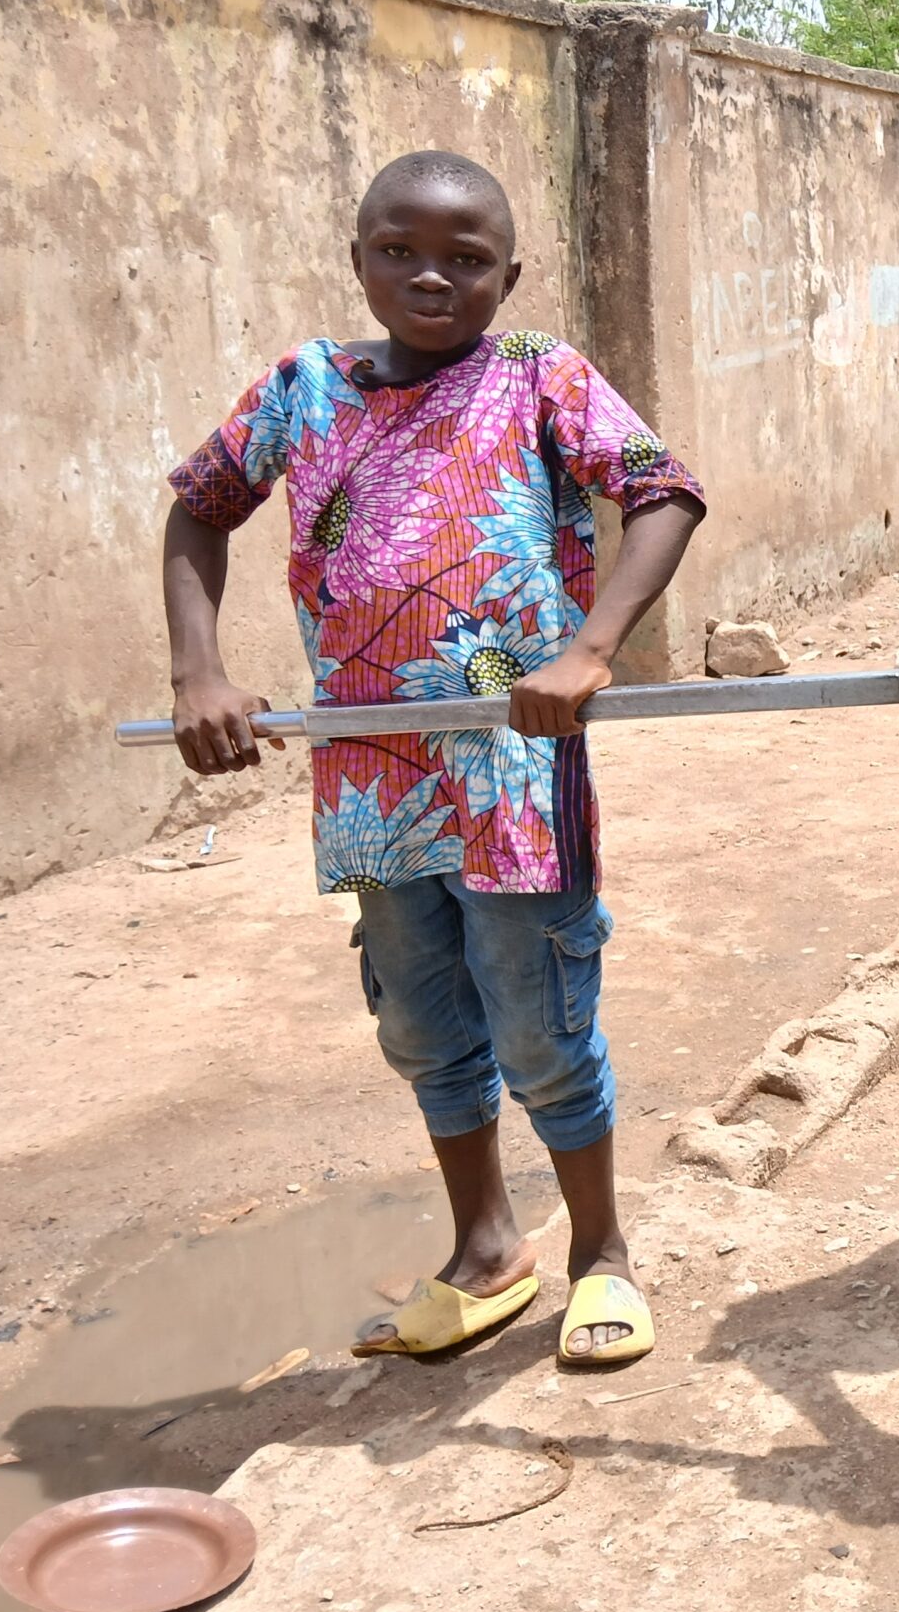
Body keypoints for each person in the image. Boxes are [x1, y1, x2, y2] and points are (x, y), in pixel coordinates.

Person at [161, 150, 705, 1366]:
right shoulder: (301, 390)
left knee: (540, 1016)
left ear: (508, 278)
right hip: (368, 779)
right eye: (399, 250)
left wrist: (593, 646)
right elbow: (200, 506)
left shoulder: (539, 378)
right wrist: (198, 671)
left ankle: (600, 1253)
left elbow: (663, 491)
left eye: (466, 260)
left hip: (515, 769)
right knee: (419, 1021)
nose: (430, 275)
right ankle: (484, 1246)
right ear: (356, 259)